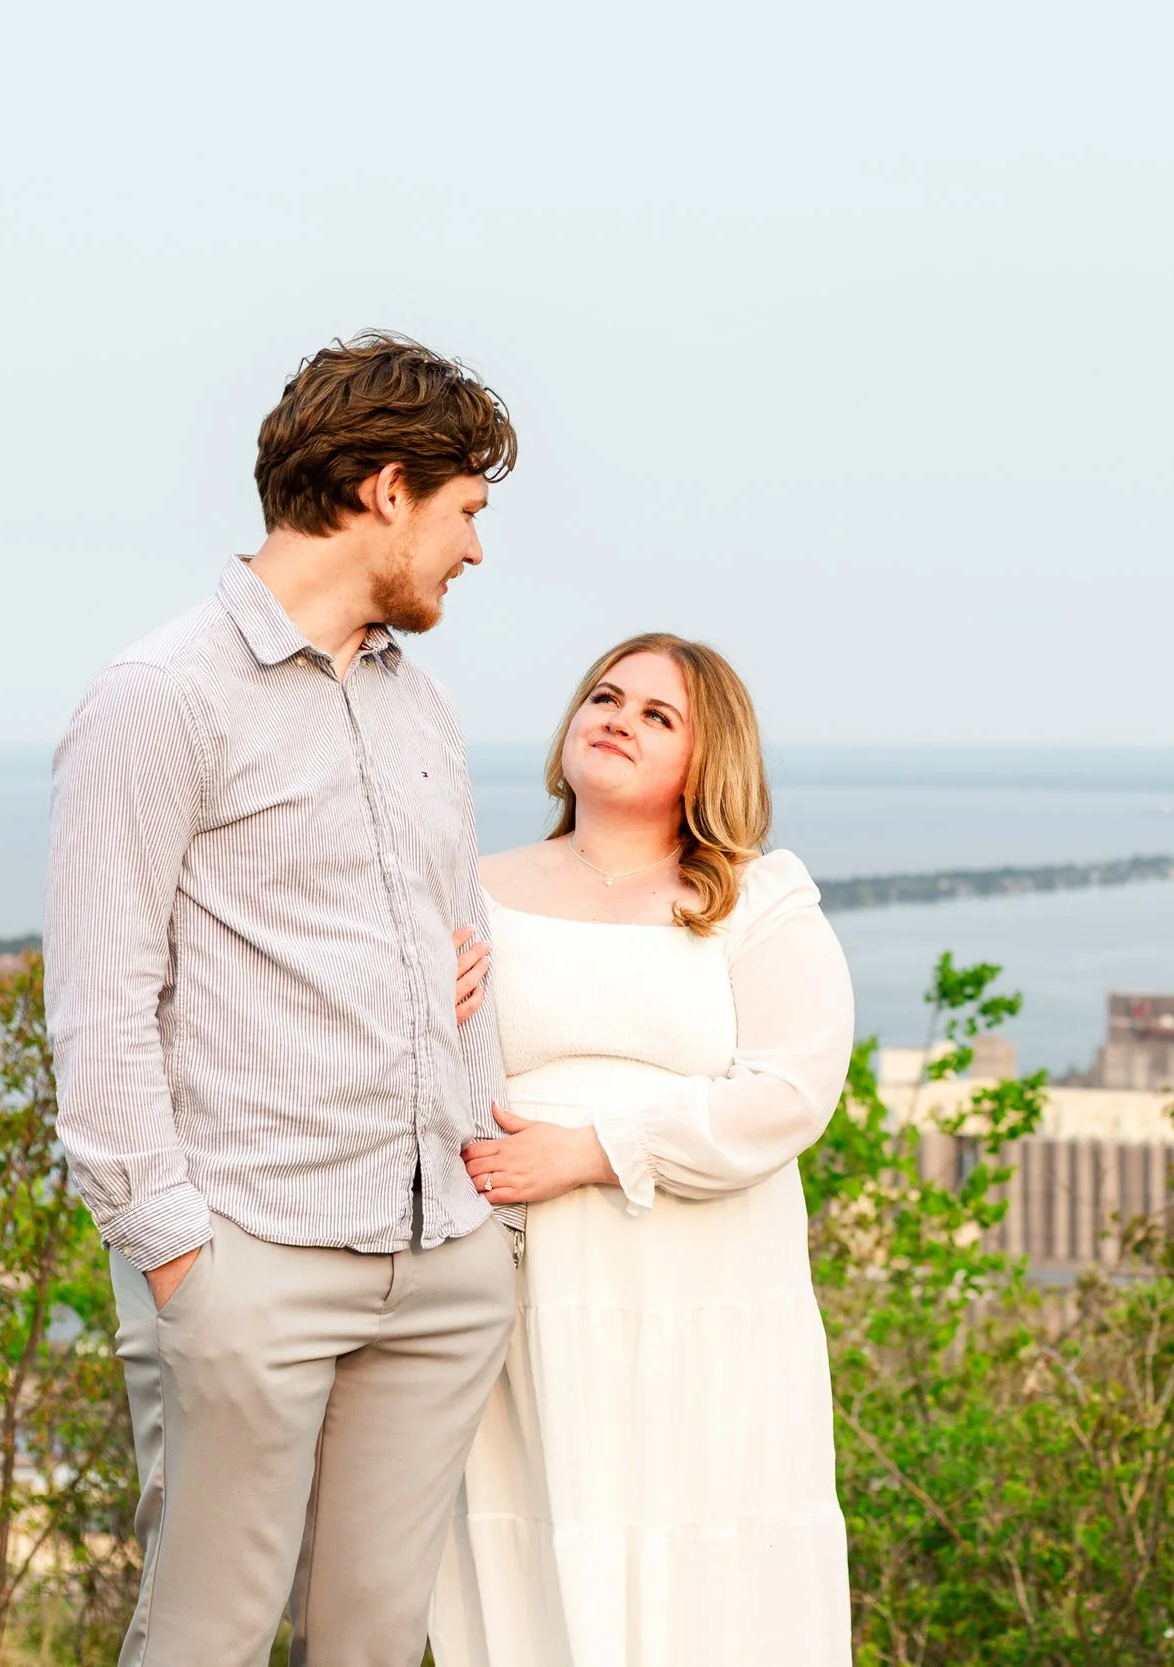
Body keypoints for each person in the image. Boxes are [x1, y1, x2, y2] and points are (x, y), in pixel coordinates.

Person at [44, 332, 523, 1667]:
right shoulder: (159, 698)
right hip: (251, 1257)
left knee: (376, 1640)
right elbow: (100, 1002)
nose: (475, 549)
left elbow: (464, 947)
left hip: (442, 1261)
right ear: (386, 488)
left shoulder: (421, 706)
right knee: (205, 1638)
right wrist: (182, 1260)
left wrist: (485, 1202)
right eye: (465, 510)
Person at [429, 635, 856, 1667]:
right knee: (538, 1544)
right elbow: (406, 1075)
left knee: (705, 1555)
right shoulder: (468, 889)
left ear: (709, 760)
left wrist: (595, 1150)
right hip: (525, 1293)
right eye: (606, 697)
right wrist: (417, 1010)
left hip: (705, 1294)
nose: (618, 718)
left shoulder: (755, 900)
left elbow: (790, 1094)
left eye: (658, 714)